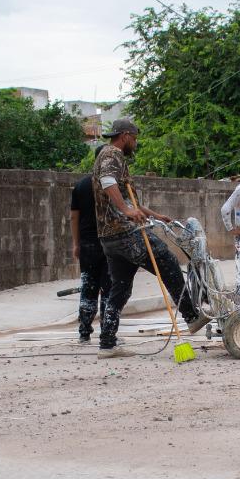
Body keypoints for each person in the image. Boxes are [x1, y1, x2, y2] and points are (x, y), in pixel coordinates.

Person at [92, 118, 205, 360]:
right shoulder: (112, 154)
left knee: (121, 288)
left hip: (110, 237)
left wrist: (155, 215)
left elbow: (131, 201)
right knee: (168, 262)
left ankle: (107, 344)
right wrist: (126, 211)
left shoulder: (113, 157)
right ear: (125, 135)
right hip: (125, 232)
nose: (135, 143)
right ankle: (192, 316)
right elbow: (108, 183)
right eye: (134, 138)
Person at [69, 173, 108, 344]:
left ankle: (84, 333)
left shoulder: (81, 185)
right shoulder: (112, 184)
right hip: (110, 242)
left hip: (87, 244)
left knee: (88, 288)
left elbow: (74, 217)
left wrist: (76, 243)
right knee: (109, 289)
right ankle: (107, 333)